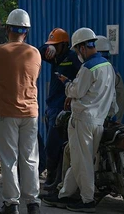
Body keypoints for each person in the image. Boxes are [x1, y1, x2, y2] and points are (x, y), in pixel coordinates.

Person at [49, 28, 117, 212]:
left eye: (77, 50)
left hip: (83, 120)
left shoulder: (88, 67)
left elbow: (76, 91)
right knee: (80, 160)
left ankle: (87, 200)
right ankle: (64, 195)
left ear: (82, 47)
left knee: (83, 162)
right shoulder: (107, 66)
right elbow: (111, 97)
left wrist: (66, 83)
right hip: (98, 121)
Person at [0, 8, 42, 214]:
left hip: (6, 113)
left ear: (7, 29)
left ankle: (11, 203)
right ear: (26, 31)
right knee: (30, 158)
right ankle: (33, 203)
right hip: (30, 113)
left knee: (9, 159)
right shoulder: (34, 53)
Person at [40, 28, 81, 193]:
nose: (54, 48)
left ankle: (55, 179)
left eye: (56, 45)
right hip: (52, 107)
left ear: (65, 45)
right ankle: (52, 177)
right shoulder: (54, 57)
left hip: (64, 109)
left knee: (55, 144)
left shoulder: (72, 58)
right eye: (53, 45)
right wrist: (47, 47)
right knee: (51, 146)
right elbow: (38, 52)